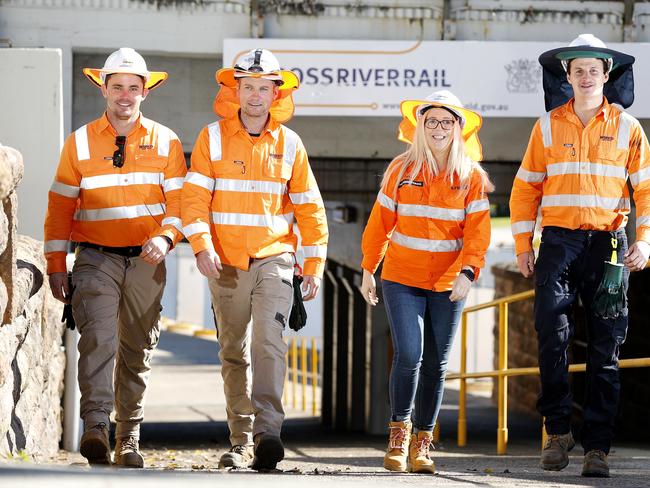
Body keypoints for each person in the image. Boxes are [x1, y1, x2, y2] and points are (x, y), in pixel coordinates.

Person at [510, 34, 650, 478]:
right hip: (559, 243)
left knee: (606, 346)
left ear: (607, 75)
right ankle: (556, 430)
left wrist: (644, 241)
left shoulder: (629, 128)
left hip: (610, 243)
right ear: (566, 76)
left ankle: (599, 447)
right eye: (578, 70)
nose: (586, 77)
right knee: (551, 330)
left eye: (594, 69)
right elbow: (525, 188)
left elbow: (645, 189)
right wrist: (522, 245)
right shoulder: (547, 125)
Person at [181, 48, 328, 471]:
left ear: (275, 92)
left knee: (269, 341)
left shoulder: (291, 144)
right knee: (234, 351)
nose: (256, 95)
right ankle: (241, 440)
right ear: (236, 89)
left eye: (265, 87)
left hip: (275, 257)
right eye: (249, 87)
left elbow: (309, 209)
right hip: (224, 262)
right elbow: (194, 201)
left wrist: (313, 266)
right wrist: (202, 246)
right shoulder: (211, 138)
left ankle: (268, 434)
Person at [44, 48, 186, 467]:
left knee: (137, 349)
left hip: (147, 260)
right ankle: (95, 427)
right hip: (95, 258)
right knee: (98, 340)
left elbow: (180, 205)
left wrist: (166, 237)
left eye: (133, 87)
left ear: (145, 92)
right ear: (103, 88)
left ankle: (129, 437)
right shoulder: (80, 142)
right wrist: (56, 264)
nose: (125, 95)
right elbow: (60, 209)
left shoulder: (168, 141)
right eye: (117, 86)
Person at [360, 90, 492, 474]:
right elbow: (380, 222)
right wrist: (369, 267)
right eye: (431, 121)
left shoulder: (471, 177)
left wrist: (469, 272)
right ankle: (398, 436)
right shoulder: (401, 170)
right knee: (410, 354)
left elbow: (478, 233)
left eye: (446, 122)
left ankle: (422, 444)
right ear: (420, 126)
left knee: (437, 364)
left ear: (457, 128)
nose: (438, 128)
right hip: (402, 277)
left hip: (450, 282)